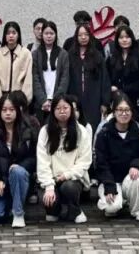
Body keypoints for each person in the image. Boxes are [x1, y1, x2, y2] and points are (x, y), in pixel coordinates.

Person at [0, 92, 38, 227]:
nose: (8, 113)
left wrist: (20, 166)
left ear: (18, 110)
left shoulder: (27, 130)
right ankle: (8, 205)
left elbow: (34, 157)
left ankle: (18, 213)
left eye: (11, 110)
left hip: (20, 179)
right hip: (0, 183)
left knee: (18, 171)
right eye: (4, 110)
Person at [37, 95, 93, 223]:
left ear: (71, 109)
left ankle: (75, 210)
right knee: (51, 216)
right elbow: (42, 162)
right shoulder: (45, 131)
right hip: (52, 179)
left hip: (73, 180)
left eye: (65, 108)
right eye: (58, 108)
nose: (62, 111)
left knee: (69, 187)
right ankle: (55, 209)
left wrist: (67, 175)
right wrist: (49, 186)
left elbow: (85, 161)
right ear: (53, 111)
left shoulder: (81, 131)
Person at [93, 91, 139, 221]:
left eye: (127, 110)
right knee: (111, 209)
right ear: (114, 112)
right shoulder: (104, 133)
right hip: (110, 179)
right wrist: (109, 186)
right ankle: (119, 200)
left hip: (129, 178)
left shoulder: (138, 132)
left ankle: (137, 209)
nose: (124, 113)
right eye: (120, 110)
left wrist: (136, 165)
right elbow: (101, 164)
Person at [66, 22, 110, 129]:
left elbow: (104, 79)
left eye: (86, 34)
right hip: (75, 98)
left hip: (94, 99)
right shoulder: (70, 55)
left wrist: (105, 102)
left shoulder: (97, 55)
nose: (83, 37)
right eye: (80, 35)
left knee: (92, 126)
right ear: (76, 37)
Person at [0, 21, 33, 109]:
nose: (11, 36)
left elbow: (28, 80)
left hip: (19, 99)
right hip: (1, 99)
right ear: (4, 35)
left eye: (14, 33)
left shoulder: (26, 54)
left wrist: (24, 101)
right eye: (8, 33)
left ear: (18, 35)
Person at [31, 20, 69, 119]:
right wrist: (43, 100)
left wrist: (56, 100)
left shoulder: (63, 54)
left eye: (51, 33)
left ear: (55, 35)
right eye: (46, 33)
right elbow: (35, 78)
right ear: (42, 35)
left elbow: (65, 78)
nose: (49, 36)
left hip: (58, 101)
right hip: (41, 102)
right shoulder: (35, 54)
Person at [107, 26, 139, 110]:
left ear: (132, 39)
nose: (124, 40)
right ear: (117, 40)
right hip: (117, 99)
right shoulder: (112, 57)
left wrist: (123, 89)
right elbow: (107, 78)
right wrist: (111, 87)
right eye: (121, 37)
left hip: (136, 98)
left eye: (127, 37)